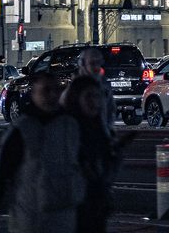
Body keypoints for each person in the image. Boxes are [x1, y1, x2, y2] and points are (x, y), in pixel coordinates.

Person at [0, 71, 84, 233]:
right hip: (31, 219)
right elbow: (0, 175)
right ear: (34, 93)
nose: (52, 95)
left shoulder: (70, 125)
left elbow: (82, 168)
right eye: (46, 90)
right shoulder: (22, 129)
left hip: (64, 218)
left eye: (56, 90)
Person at [62, 75, 117, 233]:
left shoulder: (99, 128)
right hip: (72, 208)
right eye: (88, 96)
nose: (94, 101)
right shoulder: (65, 128)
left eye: (97, 96)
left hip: (96, 207)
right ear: (76, 97)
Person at [67, 47, 116, 133]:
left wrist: (108, 130)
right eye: (92, 63)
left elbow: (110, 109)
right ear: (82, 64)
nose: (96, 67)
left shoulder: (104, 84)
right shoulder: (76, 86)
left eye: (99, 63)